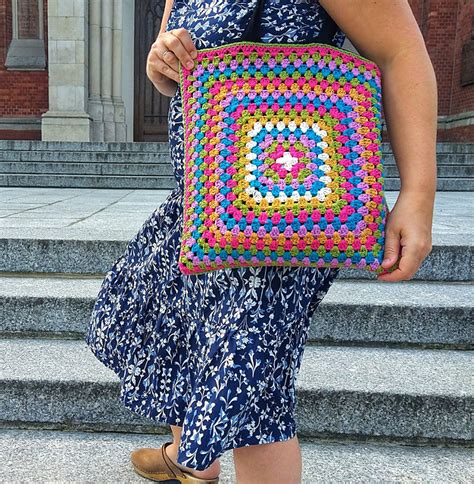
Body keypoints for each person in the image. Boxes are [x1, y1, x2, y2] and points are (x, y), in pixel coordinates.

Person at [85, 0, 436, 483]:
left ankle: (198, 457)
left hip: (290, 216)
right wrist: (161, 64)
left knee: (251, 383)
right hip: (204, 199)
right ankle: (193, 459)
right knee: (158, 317)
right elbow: (174, 65)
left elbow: (401, 53)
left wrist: (417, 195)